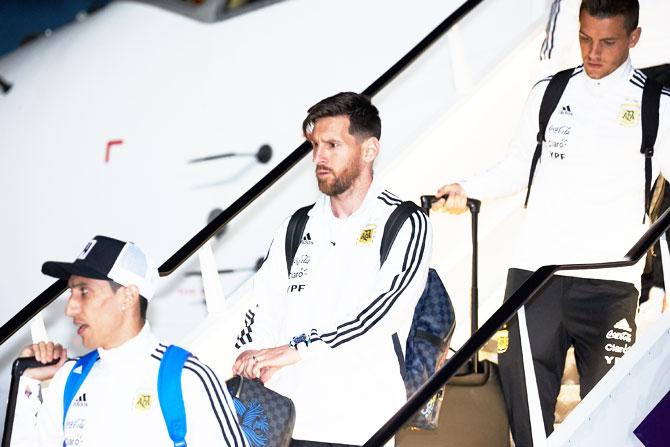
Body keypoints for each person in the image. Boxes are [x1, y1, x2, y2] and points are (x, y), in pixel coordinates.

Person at [433, 1, 670, 445]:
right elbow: (520, 165)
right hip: (533, 282)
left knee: (615, 418)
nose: (593, 52)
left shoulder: (659, 106)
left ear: (634, 38)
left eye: (608, 42)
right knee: (527, 425)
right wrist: (467, 188)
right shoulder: (551, 92)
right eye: (584, 38)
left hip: (611, 285)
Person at [232, 92, 432, 446]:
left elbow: (381, 314)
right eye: (315, 145)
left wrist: (298, 348)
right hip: (289, 422)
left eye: (332, 145)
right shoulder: (296, 226)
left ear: (369, 150)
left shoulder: (404, 222)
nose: (318, 157)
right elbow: (263, 304)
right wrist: (253, 350)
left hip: (360, 425)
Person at [11, 235, 249, 447]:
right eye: (70, 292)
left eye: (84, 291)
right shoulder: (68, 378)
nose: (70, 308)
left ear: (128, 297)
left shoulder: (187, 377)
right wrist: (27, 381)